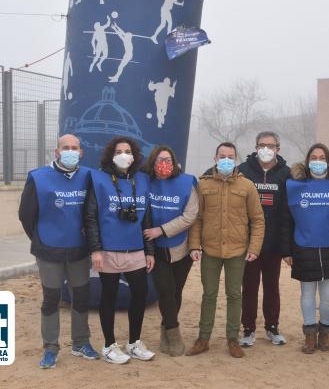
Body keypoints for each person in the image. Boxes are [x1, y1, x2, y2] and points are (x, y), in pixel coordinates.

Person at [19, 134, 99, 369]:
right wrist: (41, 240)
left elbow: (92, 212)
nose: (71, 151)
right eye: (66, 148)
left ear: (81, 153)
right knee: (51, 299)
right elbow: (26, 215)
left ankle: (81, 342)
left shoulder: (88, 177)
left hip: (79, 251)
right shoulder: (38, 177)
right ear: (56, 152)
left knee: (81, 297)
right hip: (49, 251)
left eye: (75, 148)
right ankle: (51, 348)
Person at [185, 142, 265, 358]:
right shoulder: (203, 185)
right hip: (210, 249)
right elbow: (197, 219)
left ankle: (232, 339)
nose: (226, 160)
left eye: (231, 156)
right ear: (215, 158)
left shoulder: (247, 186)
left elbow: (257, 220)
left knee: (234, 295)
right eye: (222, 156)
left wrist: (254, 247)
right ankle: (203, 339)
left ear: (236, 159)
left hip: (237, 250)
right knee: (209, 294)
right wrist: (194, 245)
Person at [84, 136, 156, 364]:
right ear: (111, 155)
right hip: (108, 251)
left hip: (135, 250)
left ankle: (134, 342)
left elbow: (147, 219)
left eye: (128, 151)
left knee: (140, 293)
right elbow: (91, 217)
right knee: (109, 297)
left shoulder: (142, 180)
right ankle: (108, 345)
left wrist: (150, 251)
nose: (124, 155)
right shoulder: (99, 179)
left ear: (134, 155)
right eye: (119, 151)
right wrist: (95, 250)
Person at [281, 143, 329, 354]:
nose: (318, 162)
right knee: (307, 293)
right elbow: (287, 220)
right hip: (304, 247)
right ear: (307, 161)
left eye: (322, 158)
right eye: (314, 157)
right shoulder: (295, 186)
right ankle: (310, 334)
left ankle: (325, 331)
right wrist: (287, 250)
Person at [142, 145, 199, 356]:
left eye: (167, 159)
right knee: (164, 291)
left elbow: (191, 215)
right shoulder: (144, 181)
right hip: (156, 249)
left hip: (181, 248)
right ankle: (174, 334)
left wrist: (162, 230)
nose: (163, 164)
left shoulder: (186, 182)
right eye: (159, 160)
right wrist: (155, 235)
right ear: (152, 162)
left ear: (174, 162)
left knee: (175, 292)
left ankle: (166, 328)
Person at [237, 132, 290, 347]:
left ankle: (272, 327)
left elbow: (288, 212)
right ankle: (248, 329)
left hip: (274, 242)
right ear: (255, 146)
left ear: (278, 148)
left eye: (270, 145)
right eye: (262, 145)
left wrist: (286, 247)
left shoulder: (286, 174)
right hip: (249, 242)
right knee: (249, 287)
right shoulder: (243, 170)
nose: (266, 149)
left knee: (272, 287)